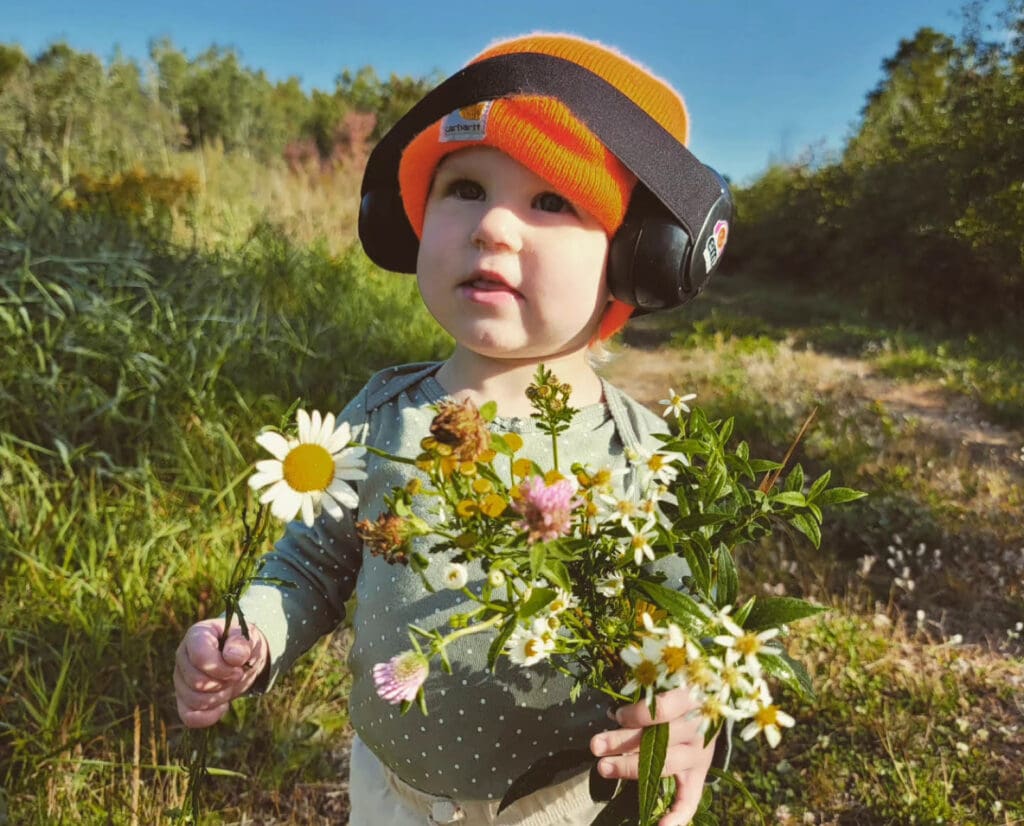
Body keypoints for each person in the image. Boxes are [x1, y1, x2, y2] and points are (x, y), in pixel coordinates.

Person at [174, 32, 730, 826]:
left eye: (550, 201)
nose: (494, 226)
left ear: (639, 257)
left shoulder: (641, 454)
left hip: (572, 804)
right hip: (392, 793)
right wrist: (251, 637)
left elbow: (690, 636)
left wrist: (696, 721)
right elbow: (314, 565)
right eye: (465, 188)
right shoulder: (382, 413)